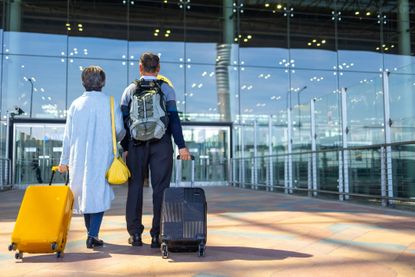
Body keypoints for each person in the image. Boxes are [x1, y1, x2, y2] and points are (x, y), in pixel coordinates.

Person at [121, 52, 191, 248]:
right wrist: (182, 146)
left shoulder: (130, 90)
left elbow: (124, 122)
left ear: (140, 67)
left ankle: (135, 235)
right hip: (161, 144)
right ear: (158, 69)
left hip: (136, 145)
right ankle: (156, 235)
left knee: (135, 188)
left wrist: (126, 147)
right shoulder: (167, 89)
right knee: (160, 188)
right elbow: (174, 120)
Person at [59, 66, 125, 249]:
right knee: (97, 193)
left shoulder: (75, 104)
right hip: (102, 155)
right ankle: (92, 234)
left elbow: (68, 135)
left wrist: (63, 161)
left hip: (78, 156)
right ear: (103, 82)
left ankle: (92, 233)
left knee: (83, 193)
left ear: (83, 82)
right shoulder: (110, 103)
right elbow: (119, 131)